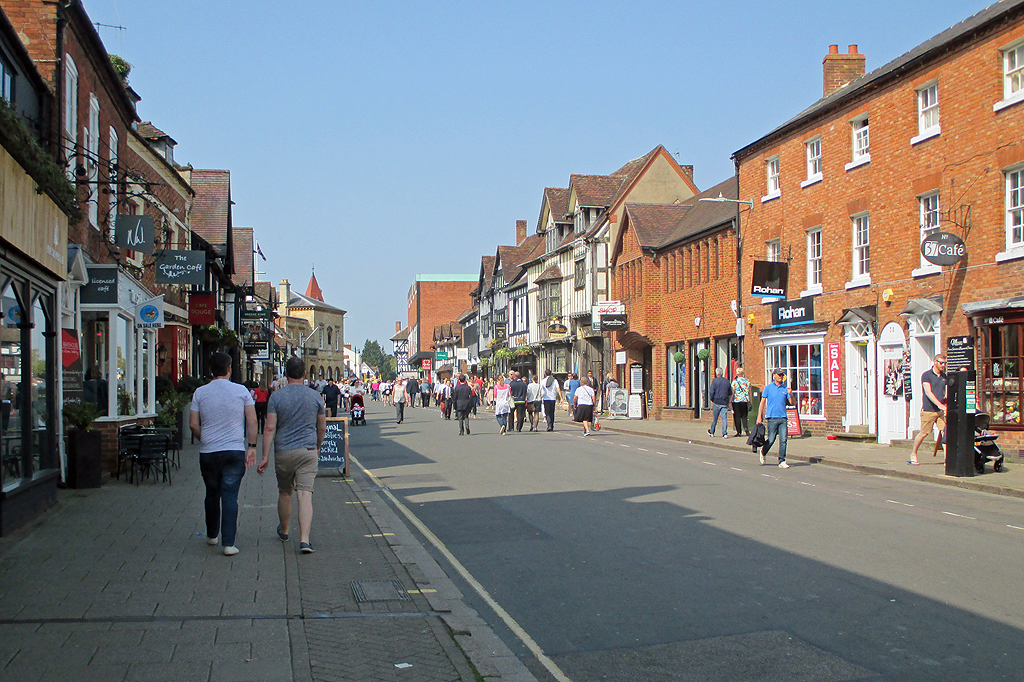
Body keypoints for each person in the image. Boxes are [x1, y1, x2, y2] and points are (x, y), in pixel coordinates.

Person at [189, 352, 257, 556]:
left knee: (211, 493)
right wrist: (252, 446)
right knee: (230, 496)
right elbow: (252, 421)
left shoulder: (200, 393)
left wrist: (205, 438)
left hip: (209, 451)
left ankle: (211, 535)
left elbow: (193, 424)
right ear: (229, 369)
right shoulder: (241, 391)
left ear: (211, 370)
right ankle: (228, 544)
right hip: (234, 450)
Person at [258, 357, 325, 554]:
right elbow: (322, 428)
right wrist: (317, 446)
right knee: (305, 495)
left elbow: (269, 428)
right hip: (308, 451)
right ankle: (304, 540)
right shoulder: (315, 397)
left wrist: (264, 456)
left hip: (283, 451)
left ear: (286, 374)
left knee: (285, 492)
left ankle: (285, 530)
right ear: (304, 374)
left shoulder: (276, 397)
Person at [910, 354, 947, 465]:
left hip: (940, 412)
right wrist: (940, 404)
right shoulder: (927, 375)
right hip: (928, 410)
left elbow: (947, 391)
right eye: (941, 363)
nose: (943, 365)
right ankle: (914, 453)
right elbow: (928, 392)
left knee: (946, 433)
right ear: (935, 362)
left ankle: (947, 459)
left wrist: (946, 403)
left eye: (945, 363)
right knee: (924, 433)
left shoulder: (944, 376)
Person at [757, 368, 795, 468]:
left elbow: (792, 403)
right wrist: (759, 416)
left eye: (782, 375)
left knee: (783, 440)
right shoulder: (768, 388)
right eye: (779, 375)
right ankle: (763, 451)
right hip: (772, 417)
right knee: (771, 439)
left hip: (783, 417)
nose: (781, 376)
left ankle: (782, 460)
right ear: (774, 375)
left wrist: (791, 394)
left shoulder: (784, 389)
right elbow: (762, 402)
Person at [708, 367, 732, 438]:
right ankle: (724, 433)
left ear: (717, 373)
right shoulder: (727, 381)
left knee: (715, 418)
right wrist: (728, 401)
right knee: (724, 418)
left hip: (716, 401)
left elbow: (712, 391)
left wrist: (712, 399)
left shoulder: (715, 381)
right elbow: (730, 392)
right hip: (724, 402)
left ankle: (712, 432)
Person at [731, 367, 751, 437]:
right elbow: (749, 392)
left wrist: (730, 401)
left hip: (736, 401)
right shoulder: (747, 381)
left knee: (737, 416)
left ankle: (738, 431)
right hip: (745, 400)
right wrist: (750, 401)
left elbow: (733, 392)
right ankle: (746, 429)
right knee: (744, 416)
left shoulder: (734, 382)